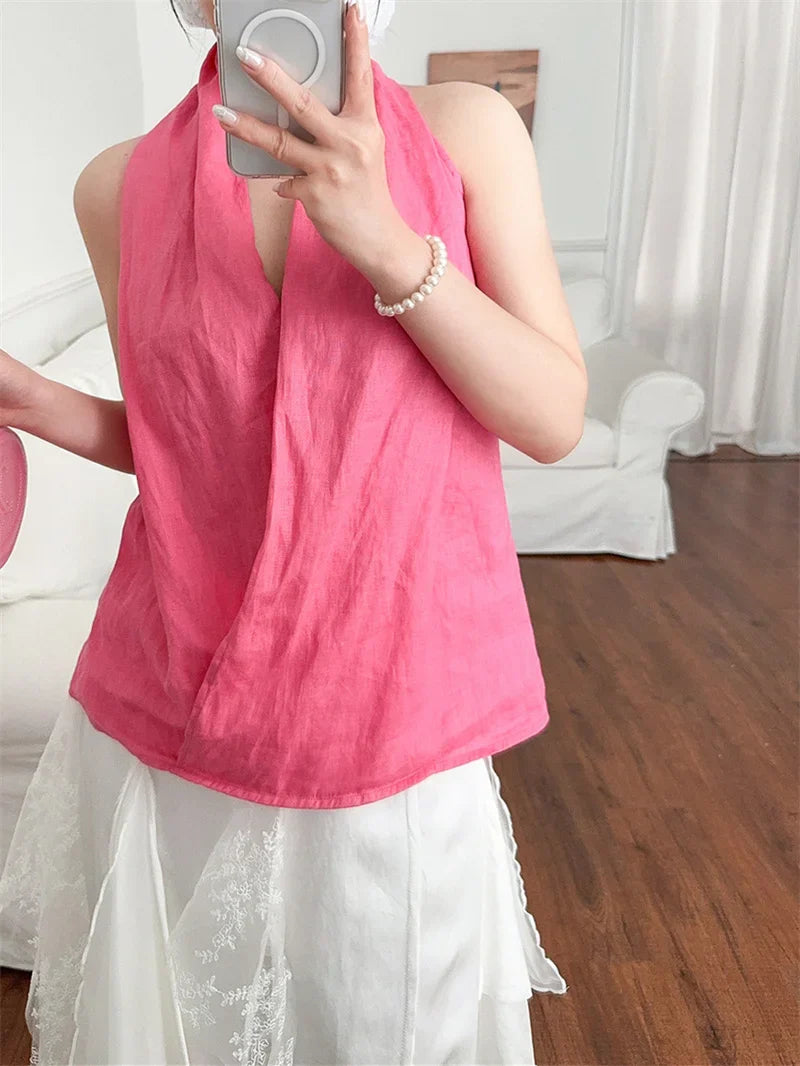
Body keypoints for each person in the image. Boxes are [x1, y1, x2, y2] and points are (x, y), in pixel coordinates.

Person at [0, 0, 586, 1062]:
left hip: (388, 709)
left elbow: (551, 417)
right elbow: (184, 444)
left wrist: (388, 245)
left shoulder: (464, 130)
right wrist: (37, 402)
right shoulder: (116, 187)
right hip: (168, 705)